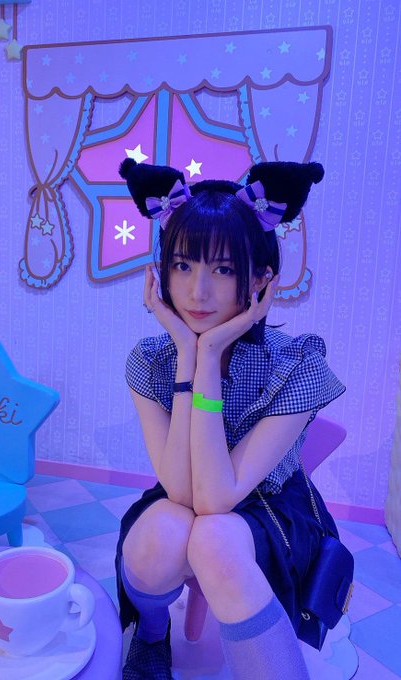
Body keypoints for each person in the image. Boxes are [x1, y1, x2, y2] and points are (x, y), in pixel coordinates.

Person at [115, 157, 346, 680]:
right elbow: (181, 491)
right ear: (160, 272)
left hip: (270, 508)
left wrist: (213, 350)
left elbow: (218, 499)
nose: (197, 292)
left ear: (261, 279)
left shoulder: (297, 364)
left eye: (223, 269)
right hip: (186, 489)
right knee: (160, 533)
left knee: (214, 537)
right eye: (182, 266)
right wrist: (188, 355)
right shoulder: (150, 360)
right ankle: (151, 634)